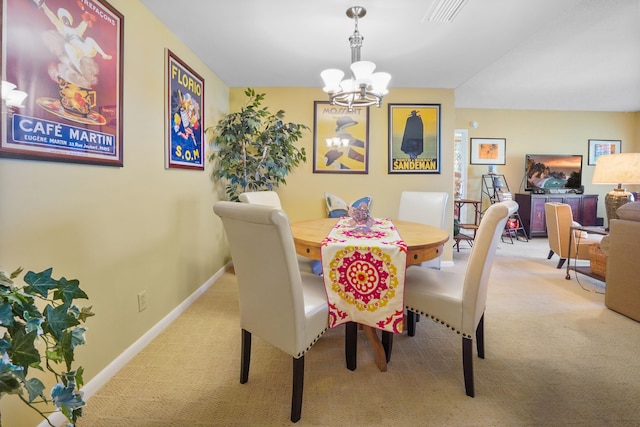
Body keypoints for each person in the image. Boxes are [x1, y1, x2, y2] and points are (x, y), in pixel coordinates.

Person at [35, 0, 112, 74]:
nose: (65, 20)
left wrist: (87, 15)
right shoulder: (61, 28)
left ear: (69, 20)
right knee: (67, 46)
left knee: (89, 39)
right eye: (63, 19)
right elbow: (53, 18)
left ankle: (104, 55)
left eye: (66, 19)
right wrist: (44, 7)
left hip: (85, 50)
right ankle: (79, 69)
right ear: (61, 19)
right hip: (76, 52)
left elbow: (85, 21)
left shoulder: (77, 30)